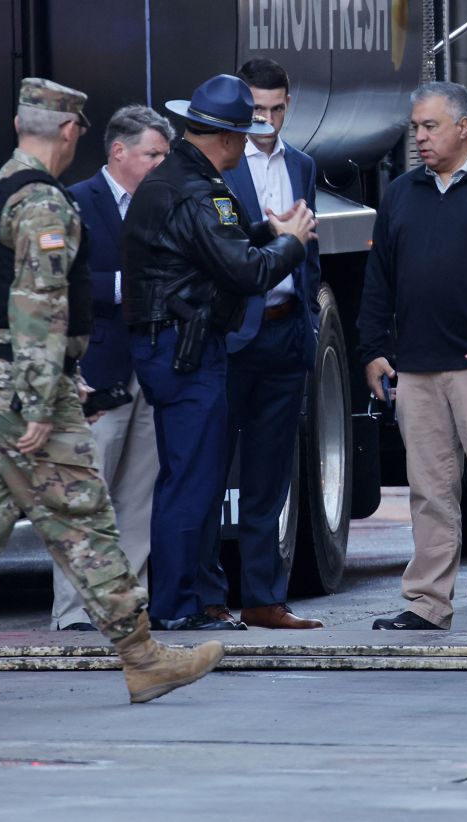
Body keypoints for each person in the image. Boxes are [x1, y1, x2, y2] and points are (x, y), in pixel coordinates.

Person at [0, 78, 224, 705]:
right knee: (84, 516)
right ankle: (142, 654)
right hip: (22, 385)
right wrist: (46, 399)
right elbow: (41, 306)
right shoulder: (46, 204)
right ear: (70, 132)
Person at [123, 74, 312, 631]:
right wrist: (291, 243)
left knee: (188, 477)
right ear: (226, 138)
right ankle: (178, 607)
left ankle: (178, 602)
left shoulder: (179, 180)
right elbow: (246, 271)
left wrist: (262, 228)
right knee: (192, 481)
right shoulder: (197, 189)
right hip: (185, 352)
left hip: (174, 347)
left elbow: (213, 247)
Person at [358, 81, 467, 632]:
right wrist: (371, 349)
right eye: (415, 127)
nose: (419, 138)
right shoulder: (403, 192)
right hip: (416, 367)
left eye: (430, 126)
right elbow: (378, 279)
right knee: (429, 493)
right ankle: (426, 604)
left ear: (464, 126)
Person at [196, 57, 323, 630]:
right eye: (257, 111)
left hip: (285, 333)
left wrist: (310, 322)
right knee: (209, 472)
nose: (267, 121)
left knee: (271, 478)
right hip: (230, 339)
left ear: (288, 105)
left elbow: (310, 252)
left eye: (276, 109)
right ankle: (207, 597)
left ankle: (264, 597)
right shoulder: (219, 169)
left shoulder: (302, 165)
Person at [50, 105, 172, 632]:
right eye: (153, 154)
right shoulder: (75, 202)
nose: (161, 164)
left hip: (149, 366)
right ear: (119, 152)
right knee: (83, 496)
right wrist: (124, 289)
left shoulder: (161, 202)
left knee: (138, 493)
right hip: (98, 368)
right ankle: (74, 611)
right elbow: (57, 282)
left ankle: (126, 604)